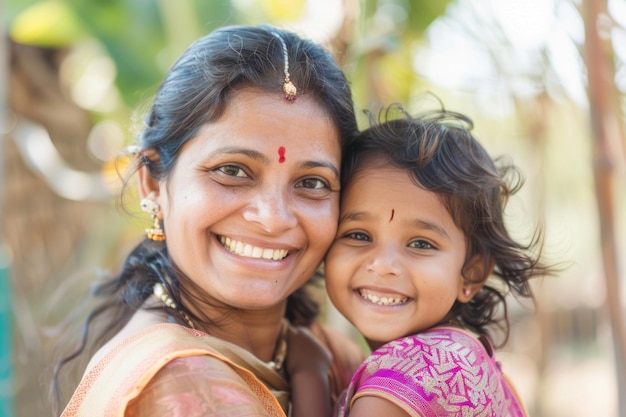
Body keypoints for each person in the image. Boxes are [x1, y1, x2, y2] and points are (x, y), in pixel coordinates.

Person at [53, 24, 365, 417]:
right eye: (233, 171)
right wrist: (312, 383)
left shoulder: (325, 354)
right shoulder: (176, 386)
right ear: (152, 184)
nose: (273, 218)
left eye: (312, 182)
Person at [323, 105, 550, 416]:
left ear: (471, 273)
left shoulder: (398, 388)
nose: (383, 264)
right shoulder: (466, 359)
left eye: (420, 243)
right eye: (359, 235)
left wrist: (306, 376)